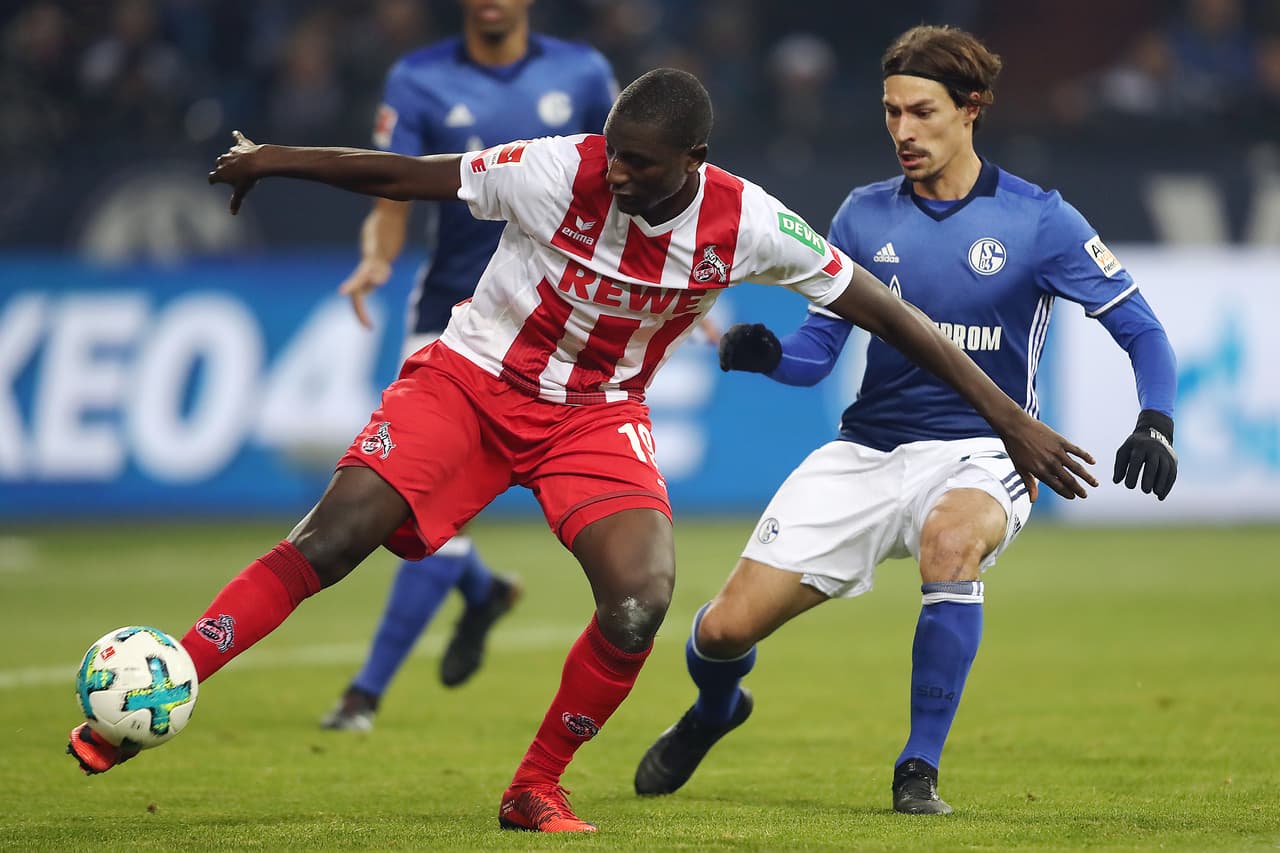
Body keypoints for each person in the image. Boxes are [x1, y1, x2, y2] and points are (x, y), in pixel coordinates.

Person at [68, 67, 1098, 833]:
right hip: (471, 383)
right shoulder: (555, 169)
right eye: (613, 152)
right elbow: (406, 174)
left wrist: (1009, 419)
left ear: (692, 161)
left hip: (593, 417)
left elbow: (892, 315)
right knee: (334, 537)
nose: (618, 172)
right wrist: (271, 159)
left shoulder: (749, 223)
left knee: (642, 597)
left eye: (640, 163)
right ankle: (167, 682)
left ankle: (534, 786)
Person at [632, 26, 1178, 816]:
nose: (903, 131)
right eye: (892, 112)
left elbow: (1143, 330)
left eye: (922, 112)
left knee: (951, 542)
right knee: (721, 631)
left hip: (986, 451)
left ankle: (917, 767)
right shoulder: (862, 216)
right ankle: (716, 709)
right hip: (867, 450)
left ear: (971, 109)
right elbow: (817, 355)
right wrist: (768, 355)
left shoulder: (1040, 220)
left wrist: (1155, 419)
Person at [319, 0, 618, 733]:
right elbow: (394, 189)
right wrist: (376, 258)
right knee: (405, 501)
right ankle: (477, 594)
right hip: (449, 322)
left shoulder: (583, 73)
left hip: (548, 328)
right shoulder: (416, 79)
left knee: (427, 513)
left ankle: (365, 693)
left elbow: (638, 181)